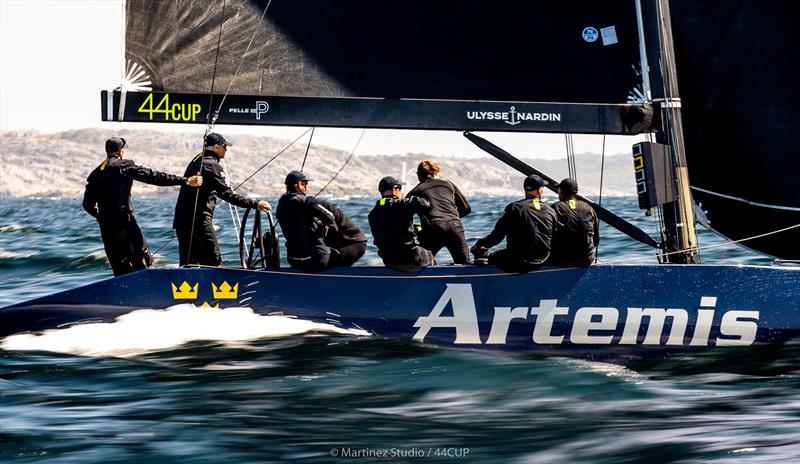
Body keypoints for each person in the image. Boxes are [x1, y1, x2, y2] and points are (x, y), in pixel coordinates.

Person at [83, 137, 203, 276]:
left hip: (107, 230)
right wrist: (186, 181)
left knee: (121, 272)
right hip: (125, 225)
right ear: (121, 152)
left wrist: (102, 217)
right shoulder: (123, 166)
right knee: (143, 265)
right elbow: (152, 176)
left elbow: (87, 205)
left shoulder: (94, 174)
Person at [172, 132, 271, 266]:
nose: (226, 150)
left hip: (182, 221)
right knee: (214, 261)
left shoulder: (197, 160)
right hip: (198, 222)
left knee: (189, 263)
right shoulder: (211, 165)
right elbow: (227, 194)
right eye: (225, 146)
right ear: (216, 147)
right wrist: (255, 203)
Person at [276, 171, 363, 271]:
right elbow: (330, 217)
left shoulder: (280, 205)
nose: (307, 188)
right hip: (316, 260)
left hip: (293, 260)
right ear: (299, 185)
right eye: (306, 184)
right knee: (354, 249)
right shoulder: (307, 201)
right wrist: (331, 228)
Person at [470, 174, 557, 273]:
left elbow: (497, 236)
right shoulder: (551, 211)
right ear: (539, 190)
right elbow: (554, 237)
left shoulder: (514, 208)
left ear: (525, 190)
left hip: (517, 260)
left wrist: (480, 245)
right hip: (543, 259)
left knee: (484, 254)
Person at [406, 160, 471, 264]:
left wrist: (415, 229)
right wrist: (451, 219)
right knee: (465, 264)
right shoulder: (448, 184)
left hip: (433, 228)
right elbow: (466, 209)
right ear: (436, 173)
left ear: (418, 175)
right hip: (455, 227)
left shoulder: (415, 191)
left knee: (422, 263)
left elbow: (403, 214)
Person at [368, 176, 435, 272]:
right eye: (399, 188)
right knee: (427, 250)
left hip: (389, 261)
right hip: (411, 260)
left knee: (416, 228)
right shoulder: (401, 204)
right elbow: (424, 204)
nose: (400, 191)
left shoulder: (372, 214)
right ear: (395, 190)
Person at [549, 178, 599, 267]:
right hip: (587, 260)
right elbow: (596, 240)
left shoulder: (555, 208)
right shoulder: (589, 208)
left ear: (561, 191)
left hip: (564, 260)